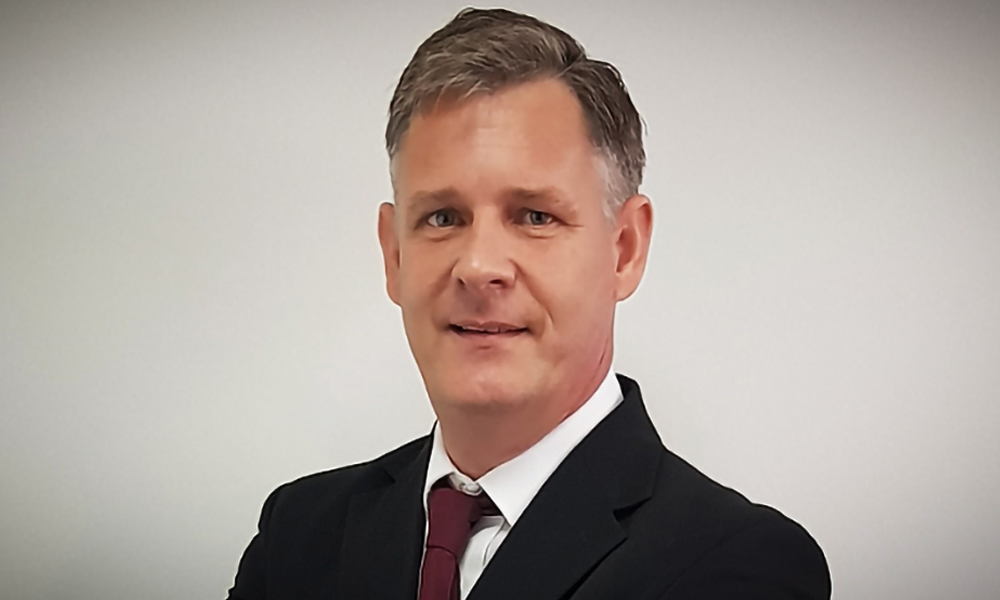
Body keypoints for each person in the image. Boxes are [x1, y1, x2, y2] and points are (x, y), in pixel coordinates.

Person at [227, 8, 831, 600]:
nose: (479, 266)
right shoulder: (298, 534)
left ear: (624, 249)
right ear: (394, 256)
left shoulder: (740, 566)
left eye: (535, 216)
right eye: (443, 217)